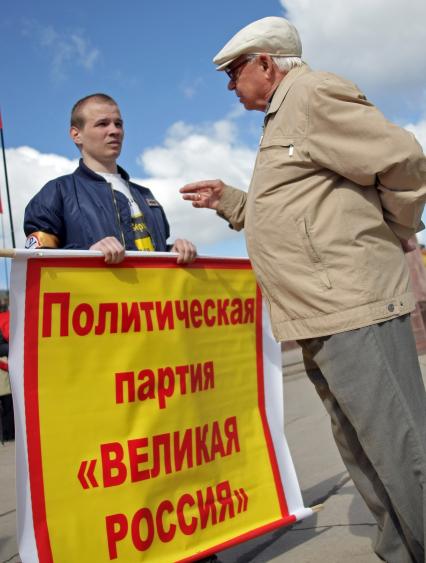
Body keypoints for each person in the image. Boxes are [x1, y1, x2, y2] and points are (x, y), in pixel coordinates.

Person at [180, 16, 426, 563]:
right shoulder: (282, 116)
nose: (229, 85)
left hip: (352, 304)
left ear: (266, 63)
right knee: (363, 451)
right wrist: (231, 200)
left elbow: (404, 160)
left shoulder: (312, 93)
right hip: (321, 312)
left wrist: (393, 229)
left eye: (233, 72)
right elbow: (297, 212)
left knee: (401, 445)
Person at [24, 93, 196, 265]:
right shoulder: (56, 193)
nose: (114, 131)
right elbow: (37, 262)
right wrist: (88, 254)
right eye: (102, 124)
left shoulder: (145, 195)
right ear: (76, 135)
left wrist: (173, 252)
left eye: (118, 124)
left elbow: (151, 254)